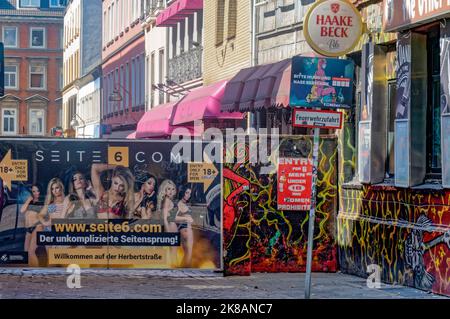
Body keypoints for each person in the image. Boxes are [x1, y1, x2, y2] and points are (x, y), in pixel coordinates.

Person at [37, 178, 66, 258]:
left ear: (61, 187)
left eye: (57, 188)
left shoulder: (67, 201)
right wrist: (45, 223)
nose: (55, 191)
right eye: (52, 189)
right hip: (50, 231)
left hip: (63, 231)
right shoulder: (52, 204)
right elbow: (40, 215)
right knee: (51, 259)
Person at [20, 184, 42, 267]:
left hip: (37, 226)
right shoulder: (29, 202)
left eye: (37, 191)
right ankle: (29, 272)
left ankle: (36, 271)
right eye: (33, 191)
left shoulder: (41, 203)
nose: (36, 193)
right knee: (26, 253)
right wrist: (28, 200)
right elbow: (22, 210)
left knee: (31, 251)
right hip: (28, 229)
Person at [176, 185, 194, 267]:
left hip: (187, 229)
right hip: (185, 229)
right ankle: (185, 268)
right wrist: (186, 218)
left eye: (189, 193)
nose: (188, 195)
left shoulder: (185, 204)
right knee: (188, 253)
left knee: (187, 253)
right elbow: (173, 218)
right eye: (187, 193)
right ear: (182, 192)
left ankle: (182, 268)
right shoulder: (179, 204)